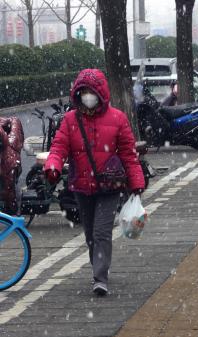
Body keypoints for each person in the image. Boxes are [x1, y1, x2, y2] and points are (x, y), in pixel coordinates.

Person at [44, 69, 145, 296]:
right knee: (90, 234)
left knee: (101, 232)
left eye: (91, 92)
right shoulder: (70, 120)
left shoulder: (117, 118)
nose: (88, 97)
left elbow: (129, 155)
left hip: (110, 186)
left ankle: (100, 277)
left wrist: (136, 182)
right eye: (84, 92)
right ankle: (98, 266)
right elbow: (59, 147)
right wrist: (53, 166)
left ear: (100, 94)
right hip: (82, 186)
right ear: (78, 94)